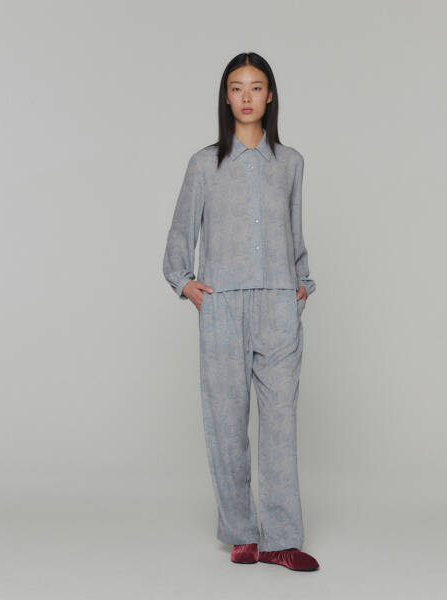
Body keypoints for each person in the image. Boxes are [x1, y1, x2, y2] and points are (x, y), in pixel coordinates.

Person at [163, 52, 319, 572]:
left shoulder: (290, 163)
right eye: (237, 87)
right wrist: (186, 284)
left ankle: (281, 539)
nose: (246, 96)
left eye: (256, 87)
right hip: (223, 305)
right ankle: (240, 533)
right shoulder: (204, 164)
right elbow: (180, 234)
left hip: (278, 303)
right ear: (226, 97)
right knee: (226, 422)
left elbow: (294, 231)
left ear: (270, 95)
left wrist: (300, 285)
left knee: (279, 426)